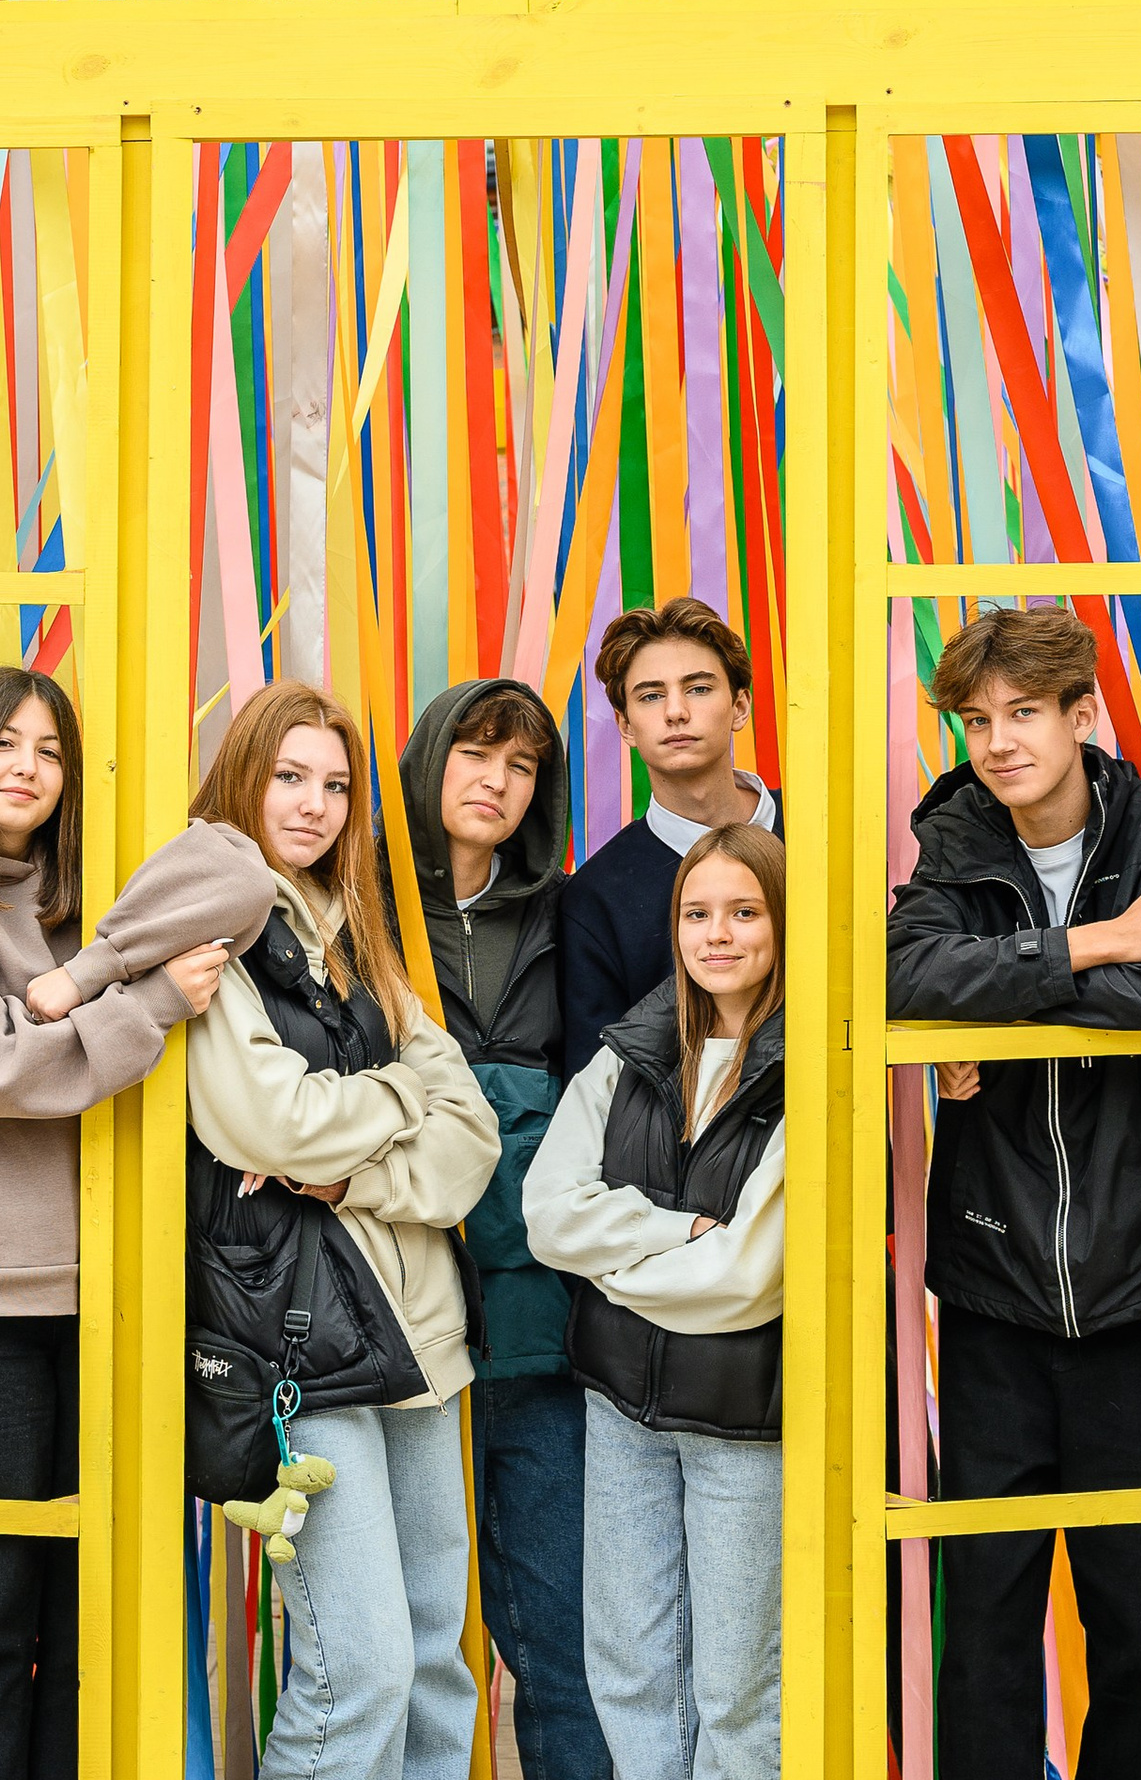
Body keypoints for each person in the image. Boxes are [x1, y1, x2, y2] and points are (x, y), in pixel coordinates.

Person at [0, 666, 237, 1780]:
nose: (28, 767)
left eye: (51, 749)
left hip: (115, 1279)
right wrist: (148, 1004)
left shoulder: (92, 889)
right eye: (5, 745)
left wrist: (80, 974)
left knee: (94, 1610)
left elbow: (236, 868)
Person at [882, 604, 1141, 1780]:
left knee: (1134, 1618)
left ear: (1081, 717)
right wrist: (1092, 945)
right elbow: (908, 972)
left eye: (1023, 713)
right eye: (978, 719)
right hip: (990, 1285)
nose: (999, 741)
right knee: (986, 1613)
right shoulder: (956, 832)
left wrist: (996, 1003)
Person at [181, 680, 501, 1780]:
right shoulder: (214, 929)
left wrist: (352, 1159)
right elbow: (269, 1121)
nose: (314, 804)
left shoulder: (358, 933)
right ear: (241, 778)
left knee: (433, 1656)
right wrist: (401, 1092)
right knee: (354, 1668)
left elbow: (471, 1142)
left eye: (336, 783)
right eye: (289, 776)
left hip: (422, 1332)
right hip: (296, 1339)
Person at [526, 822, 789, 1780]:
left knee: (736, 1687)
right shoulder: (629, 1052)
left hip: (741, 1417)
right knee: (630, 1667)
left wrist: (614, 1255)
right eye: (697, 913)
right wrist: (675, 1232)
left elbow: (749, 1279)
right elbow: (548, 1214)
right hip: (620, 1404)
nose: (718, 934)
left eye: (746, 912)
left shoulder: (807, 1065)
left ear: (783, 920)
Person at [393, 679, 608, 1780]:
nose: (495, 781)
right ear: (428, 758)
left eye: (520, 766)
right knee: (405, 1625)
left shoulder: (566, 911)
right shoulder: (363, 906)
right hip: (388, 1313)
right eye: (476, 753)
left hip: (535, 1308)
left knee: (558, 1623)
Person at [558, 598, 778, 1076]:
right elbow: (598, 1085)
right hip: (681, 1146)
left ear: (740, 706)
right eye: (651, 696)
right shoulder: (595, 898)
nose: (676, 712)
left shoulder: (827, 831)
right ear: (624, 724)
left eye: (698, 689)